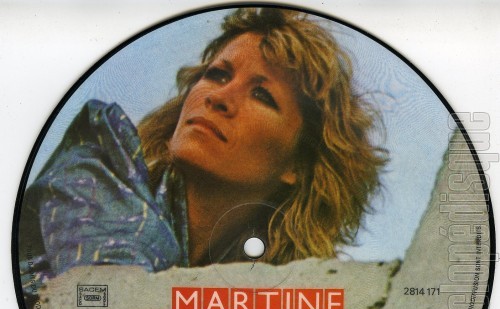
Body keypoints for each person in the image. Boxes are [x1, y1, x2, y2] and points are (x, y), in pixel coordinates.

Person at [18, 7, 387, 294]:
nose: (220, 97)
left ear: (297, 166)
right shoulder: (99, 165)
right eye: (218, 74)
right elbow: (119, 306)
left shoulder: (261, 277)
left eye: (262, 95)